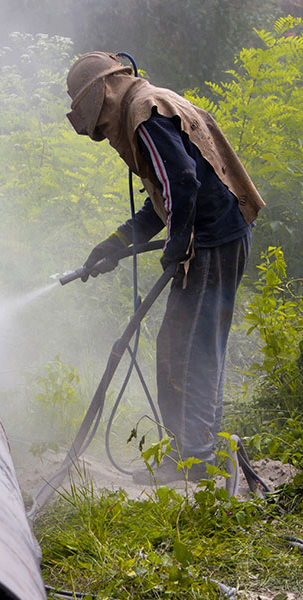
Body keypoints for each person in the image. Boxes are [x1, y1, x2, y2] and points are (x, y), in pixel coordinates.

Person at [65, 51, 265, 484]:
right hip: (219, 236)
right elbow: (165, 199)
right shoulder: (149, 104)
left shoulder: (144, 115)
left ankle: (193, 458)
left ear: (105, 94)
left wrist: (177, 246)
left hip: (211, 242)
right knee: (192, 345)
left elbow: (184, 185)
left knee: (187, 350)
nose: (102, 131)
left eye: (98, 122)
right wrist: (116, 244)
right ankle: (200, 451)